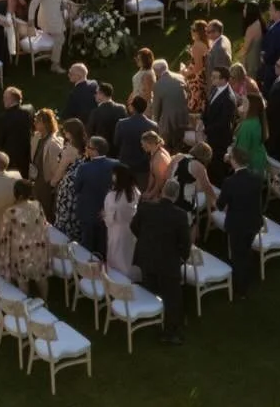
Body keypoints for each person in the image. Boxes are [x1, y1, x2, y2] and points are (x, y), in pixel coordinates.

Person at [131, 179, 192, 344]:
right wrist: (183, 256)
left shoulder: (146, 208)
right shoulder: (180, 215)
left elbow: (134, 226)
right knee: (172, 297)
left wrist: (144, 241)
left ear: (163, 191)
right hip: (168, 262)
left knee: (150, 289)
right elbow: (185, 242)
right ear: (176, 195)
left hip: (146, 257)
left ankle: (150, 320)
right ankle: (170, 332)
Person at [217, 150, 266, 298]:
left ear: (234, 161)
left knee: (238, 256)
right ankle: (248, 278)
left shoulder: (229, 182)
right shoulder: (256, 179)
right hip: (253, 221)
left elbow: (220, 205)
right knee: (245, 251)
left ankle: (241, 289)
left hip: (237, 224)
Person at [0, 181, 50, 295]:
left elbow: (5, 235)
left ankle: (25, 304)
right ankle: (46, 302)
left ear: (18, 195)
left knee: (22, 281)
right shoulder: (37, 205)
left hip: (20, 252)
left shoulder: (10, 212)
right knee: (41, 277)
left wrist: (4, 255)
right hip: (37, 248)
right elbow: (43, 225)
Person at [72, 139, 119, 255]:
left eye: (89, 147)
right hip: (107, 212)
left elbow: (76, 188)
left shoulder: (84, 168)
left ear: (95, 151)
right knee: (103, 245)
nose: (86, 149)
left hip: (88, 212)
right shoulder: (116, 164)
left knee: (87, 247)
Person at [203, 66, 243, 179]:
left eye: (215, 77)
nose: (212, 79)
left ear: (224, 80)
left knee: (217, 167)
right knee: (210, 164)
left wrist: (205, 130)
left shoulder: (228, 98)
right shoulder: (214, 88)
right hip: (211, 133)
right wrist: (202, 119)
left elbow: (223, 123)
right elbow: (208, 106)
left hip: (219, 139)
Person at [51, 118, 88, 236]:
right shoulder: (85, 146)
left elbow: (61, 168)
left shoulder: (69, 149)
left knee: (64, 216)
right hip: (80, 184)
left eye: (65, 131)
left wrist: (53, 182)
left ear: (70, 132)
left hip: (68, 186)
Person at [102, 165, 140, 279]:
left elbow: (109, 219)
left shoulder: (112, 196)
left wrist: (104, 215)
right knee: (128, 257)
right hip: (131, 231)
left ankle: (115, 282)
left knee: (116, 258)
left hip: (116, 231)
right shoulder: (135, 192)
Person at [28, 0, 68, 69]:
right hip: (47, 18)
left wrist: (64, 2)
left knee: (59, 38)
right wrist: (31, 18)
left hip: (58, 15)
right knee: (60, 38)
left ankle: (48, 56)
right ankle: (55, 64)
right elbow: (34, 3)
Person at [0, 86, 34, 181]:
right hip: (26, 154)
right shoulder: (28, 112)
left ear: (10, 99)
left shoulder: (3, 118)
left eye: (4, 98)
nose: (3, 100)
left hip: (11, 157)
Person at [151, 56, 189, 152]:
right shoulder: (180, 77)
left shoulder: (158, 85)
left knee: (166, 142)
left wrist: (155, 121)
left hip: (170, 121)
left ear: (156, 72)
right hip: (185, 115)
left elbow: (157, 107)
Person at [113, 93, 156, 178]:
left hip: (125, 164)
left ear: (132, 107)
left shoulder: (121, 123)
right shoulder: (153, 126)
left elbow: (116, 143)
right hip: (143, 167)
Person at [233, 91, 270, 178]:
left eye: (245, 102)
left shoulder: (247, 125)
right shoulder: (256, 120)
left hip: (251, 167)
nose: (242, 104)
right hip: (259, 163)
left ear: (252, 106)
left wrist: (229, 156)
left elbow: (241, 152)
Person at [260, 0, 280, 86]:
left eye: (271, 10)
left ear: (278, 12)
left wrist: (264, 57)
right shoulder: (277, 24)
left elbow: (273, 49)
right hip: (272, 64)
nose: (269, 12)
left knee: (267, 90)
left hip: (273, 66)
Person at [140, 129, 172, 201]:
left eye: (144, 144)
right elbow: (152, 174)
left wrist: (150, 194)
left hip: (163, 190)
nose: (142, 146)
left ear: (151, 143)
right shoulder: (155, 151)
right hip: (160, 187)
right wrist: (147, 190)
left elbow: (160, 181)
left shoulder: (159, 158)